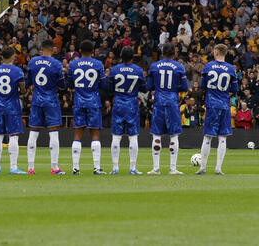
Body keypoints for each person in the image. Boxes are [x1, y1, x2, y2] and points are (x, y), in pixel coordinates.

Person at [196, 43, 239, 175]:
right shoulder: (231, 69)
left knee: (208, 137)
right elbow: (235, 89)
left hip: (211, 104)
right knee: (222, 138)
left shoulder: (208, 66)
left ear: (215, 52)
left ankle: (203, 167)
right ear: (225, 53)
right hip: (225, 105)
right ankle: (218, 168)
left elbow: (203, 86)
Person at [25, 39, 66, 175]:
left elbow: (29, 82)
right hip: (51, 101)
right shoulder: (56, 64)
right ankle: (54, 167)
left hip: (36, 100)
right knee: (53, 133)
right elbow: (62, 85)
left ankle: (30, 168)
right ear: (53, 49)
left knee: (33, 132)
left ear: (41, 48)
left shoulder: (32, 62)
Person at [147, 42, 188, 175]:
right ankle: (172, 168)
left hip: (159, 101)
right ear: (174, 53)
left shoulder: (154, 66)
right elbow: (185, 87)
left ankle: (156, 168)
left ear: (162, 52)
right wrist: (174, 88)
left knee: (157, 135)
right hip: (172, 102)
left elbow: (149, 86)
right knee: (174, 135)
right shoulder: (179, 66)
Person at [68, 39, 107, 174]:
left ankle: (75, 168)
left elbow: (70, 84)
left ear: (80, 50)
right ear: (92, 51)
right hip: (93, 102)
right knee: (95, 133)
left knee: (78, 133)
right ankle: (96, 168)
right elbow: (103, 85)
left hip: (79, 101)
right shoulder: (98, 64)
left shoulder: (73, 64)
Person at [108, 45, 145, 174]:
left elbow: (109, 87)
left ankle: (115, 167)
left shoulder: (114, 70)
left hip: (118, 103)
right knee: (133, 136)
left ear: (121, 56)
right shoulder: (138, 70)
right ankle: (133, 168)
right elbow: (144, 88)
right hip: (132, 104)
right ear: (133, 56)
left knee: (116, 136)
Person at [0, 46, 26, 174]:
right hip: (13, 105)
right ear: (13, 57)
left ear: (1, 57)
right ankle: (13, 167)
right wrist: (21, 91)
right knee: (13, 136)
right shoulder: (17, 71)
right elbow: (22, 89)